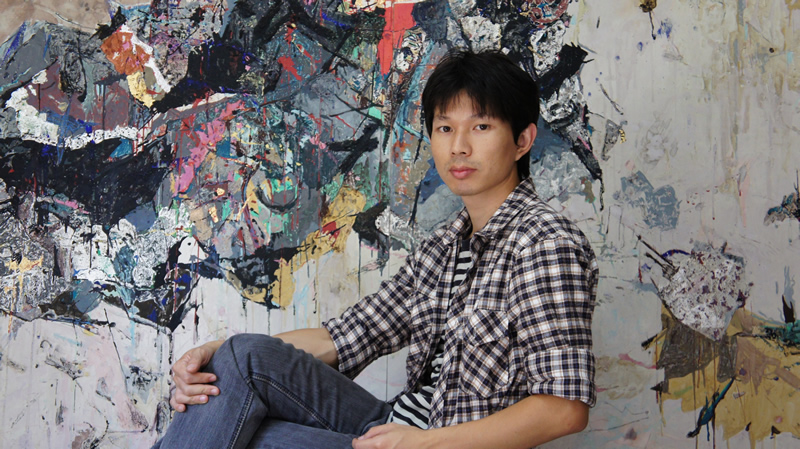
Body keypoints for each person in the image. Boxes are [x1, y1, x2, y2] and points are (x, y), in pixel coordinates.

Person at [155, 49, 598, 449]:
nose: (459, 147)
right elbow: (347, 337)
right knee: (240, 363)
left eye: (481, 127)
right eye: (445, 128)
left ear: (522, 140)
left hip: (440, 444)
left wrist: (427, 444)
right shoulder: (443, 248)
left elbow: (563, 409)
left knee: (244, 435)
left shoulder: (544, 243)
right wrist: (216, 355)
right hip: (392, 427)